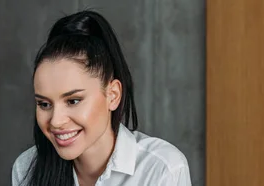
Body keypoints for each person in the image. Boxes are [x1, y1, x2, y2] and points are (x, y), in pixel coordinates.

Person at [11, 10, 191, 186]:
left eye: (73, 101)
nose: (56, 121)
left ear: (113, 95)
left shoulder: (161, 169)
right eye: (44, 104)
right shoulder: (26, 168)